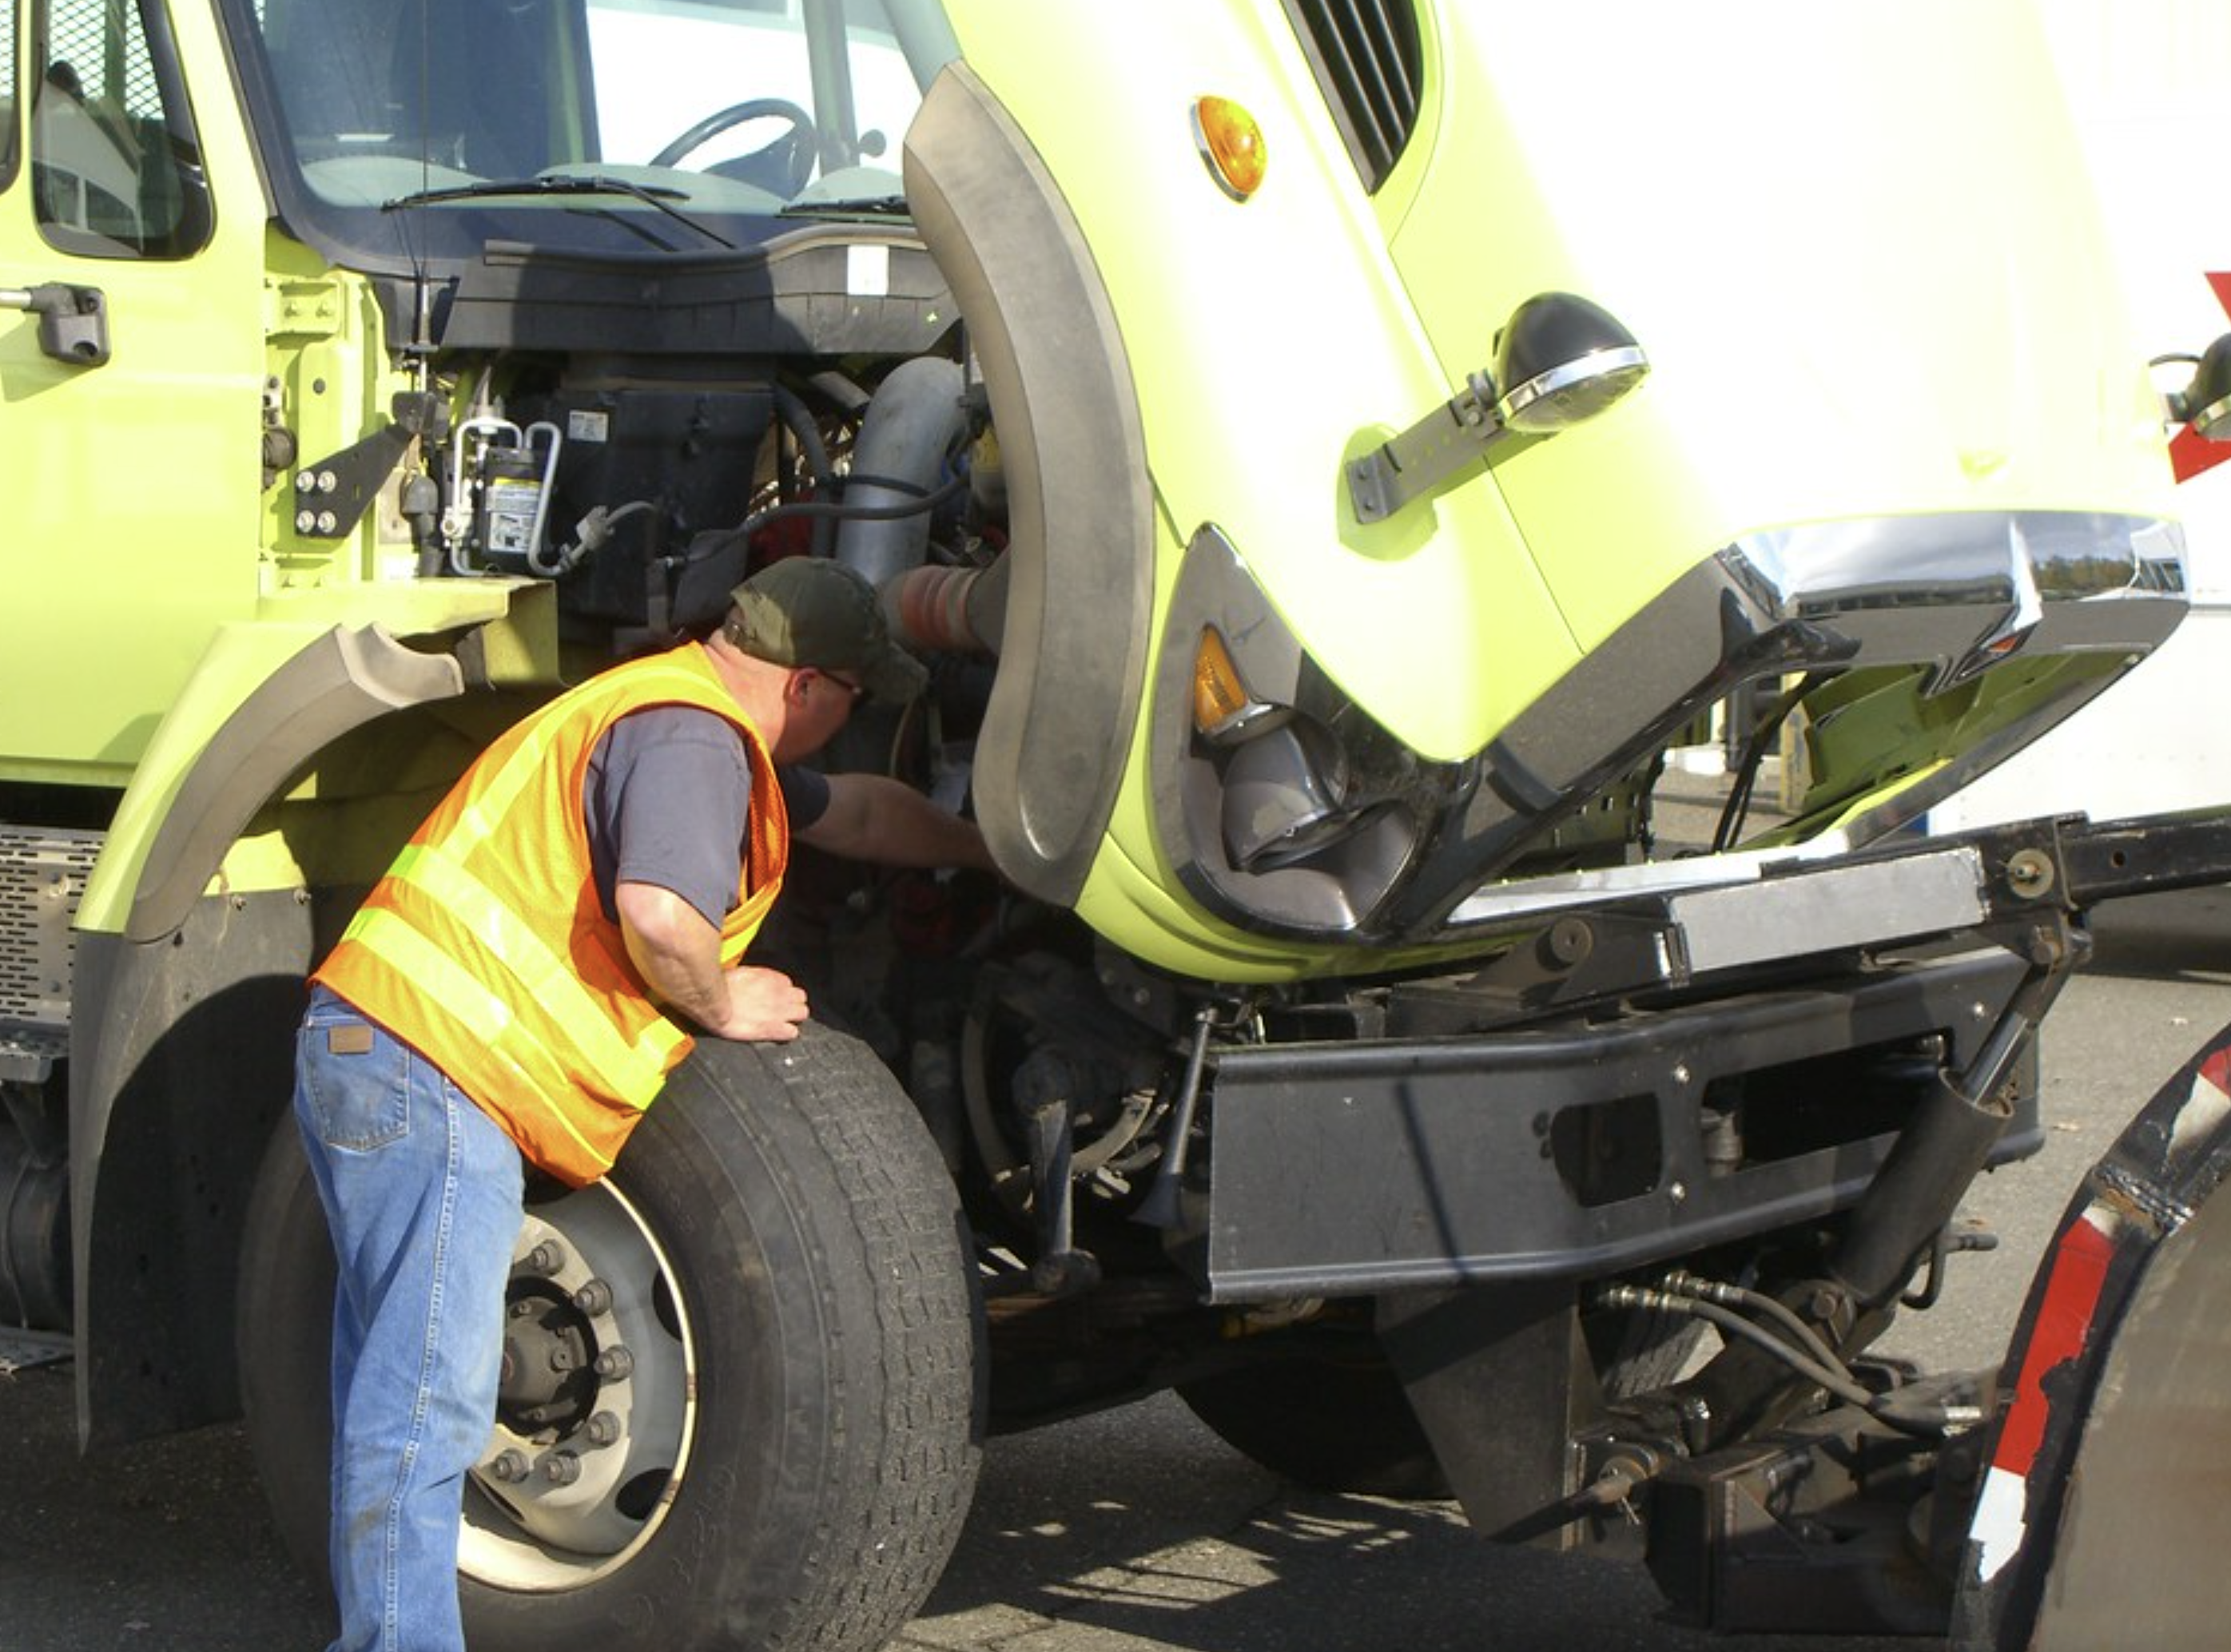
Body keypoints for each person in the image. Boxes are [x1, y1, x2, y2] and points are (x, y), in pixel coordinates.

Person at [291, 555, 993, 1652]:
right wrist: (727, 995)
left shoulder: (685, 719)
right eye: (856, 702)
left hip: (392, 1052)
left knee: (400, 1385)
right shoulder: (689, 736)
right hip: (424, 1069)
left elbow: (854, 812)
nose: (848, 728)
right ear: (810, 686)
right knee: (430, 1396)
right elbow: (663, 916)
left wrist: (985, 851)